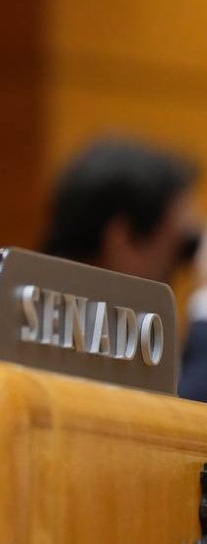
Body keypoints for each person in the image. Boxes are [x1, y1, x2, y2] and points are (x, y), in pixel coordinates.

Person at [39, 136, 207, 400]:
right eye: (177, 250)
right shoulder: (67, 347)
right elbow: (178, 430)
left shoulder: (29, 318)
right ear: (123, 240)